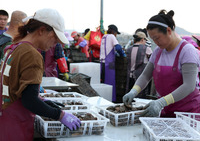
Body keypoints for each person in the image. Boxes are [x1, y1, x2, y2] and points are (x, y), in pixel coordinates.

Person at [0, 8, 81, 141]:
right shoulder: (31, 54)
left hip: (5, 120)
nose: (55, 43)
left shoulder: (14, 47)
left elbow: (16, 87)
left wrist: (44, 102)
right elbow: (29, 100)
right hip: (17, 126)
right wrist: (60, 115)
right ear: (42, 30)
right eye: (55, 38)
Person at [123, 9, 200, 118]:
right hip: (167, 110)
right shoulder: (158, 52)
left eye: (157, 38)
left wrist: (161, 102)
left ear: (168, 31)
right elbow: (145, 76)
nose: (155, 42)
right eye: (153, 39)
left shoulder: (187, 51)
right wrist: (133, 91)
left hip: (187, 112)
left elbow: (189, 85)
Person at [100, 24, 126, 102]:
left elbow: (107, 49)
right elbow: (118, 47)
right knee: (110, 83)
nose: (116, 35)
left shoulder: (104, 37)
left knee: (103, 82)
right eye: (116, 33)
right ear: (113, 32)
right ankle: (110, 100)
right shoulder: (111, 36)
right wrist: (122, 54)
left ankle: (103, 99)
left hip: (102, 63)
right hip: (109, 63)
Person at [126, 31, 152, 98]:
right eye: (145, 40)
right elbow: (152, 60)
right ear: (142, 39)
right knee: (140, 98)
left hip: (130, 77)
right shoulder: (146, 49)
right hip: (140, 78)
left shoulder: (128, 49)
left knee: (130, 96)